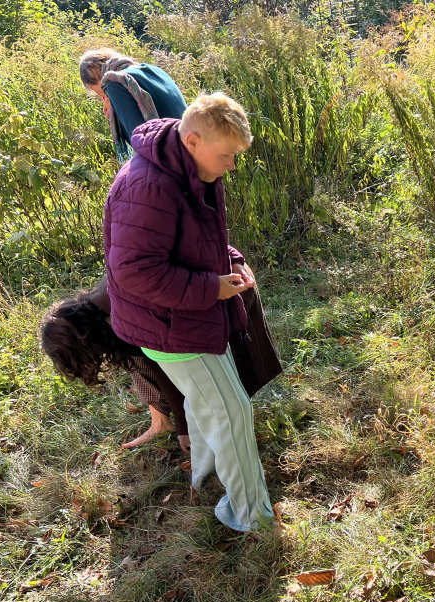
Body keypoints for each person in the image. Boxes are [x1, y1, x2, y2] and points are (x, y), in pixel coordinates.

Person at [103, 92, 276, 531]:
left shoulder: (191, 168)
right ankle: (250, 516)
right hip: (168, 324)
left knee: (205, 403)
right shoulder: (149, 186)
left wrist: (231, 261)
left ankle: (203, 477)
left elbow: (196, 239)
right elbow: (134, 272)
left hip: (180, 315)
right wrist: (210, 288)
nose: (232, 166)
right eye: (227, 156)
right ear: (194, 139)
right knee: (232, 411)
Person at [40, 276, 189, 450]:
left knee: (140, 357)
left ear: (80, 342)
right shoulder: (98, 311)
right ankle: (160, 421)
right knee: (132, 358)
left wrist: (183, 428)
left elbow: (161, 367)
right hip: (171, 327)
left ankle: (166, 422)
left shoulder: (116, 310)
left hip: (191, 324)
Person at [78, 48, 188, 162]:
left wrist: (115, 113)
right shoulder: (155, 70)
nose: (102, 98)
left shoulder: (115, 84)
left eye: (99, 94)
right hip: (193, 149)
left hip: (175, 162)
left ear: (93, 78)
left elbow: (140, 143)